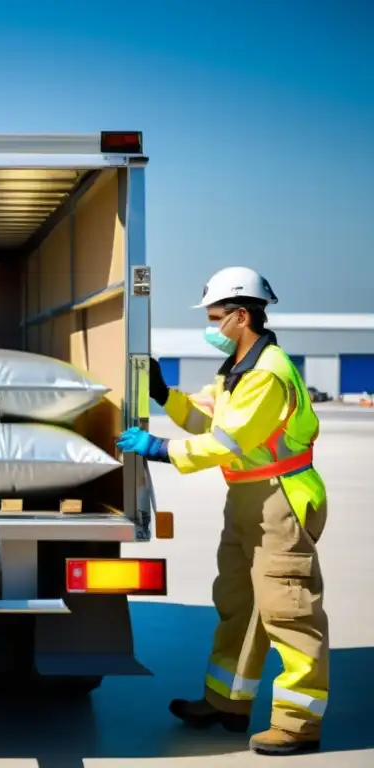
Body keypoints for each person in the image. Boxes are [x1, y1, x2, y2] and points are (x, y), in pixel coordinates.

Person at [117, 267, 328, 757]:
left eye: (215, 317)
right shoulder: (238, 367)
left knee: (289, 611)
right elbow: (206, 416)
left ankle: (298, 725)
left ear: (240, 315)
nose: (210, 326)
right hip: (248, 498)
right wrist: (164, 393)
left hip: (281, 499)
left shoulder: (267, 372)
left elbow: (227, 442)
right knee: (239, 604)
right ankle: (227, 702)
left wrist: (160, 449)